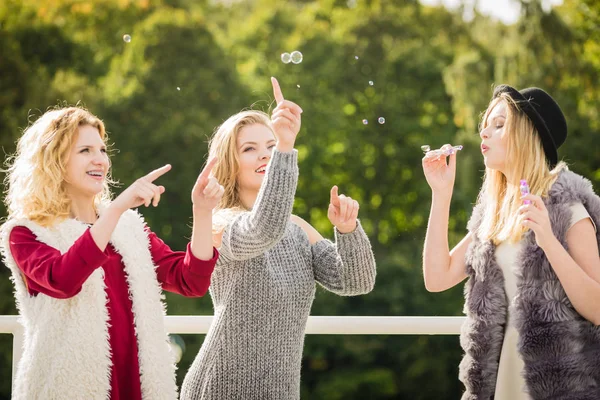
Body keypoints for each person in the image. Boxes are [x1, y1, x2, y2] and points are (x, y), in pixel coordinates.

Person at [0, 106, 224, 400]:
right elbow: (63, 280)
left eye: (103, 150)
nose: (100, 159)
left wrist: (203, 212)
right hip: (66, 389)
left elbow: (190, 281)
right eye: (85, 150)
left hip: (139, 389)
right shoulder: (26, 232)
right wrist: (117, 208)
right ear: (53, 160)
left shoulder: (129, 227)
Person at [180, 77, 377, 400]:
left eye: (271, 147)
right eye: (250, 149)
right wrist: (285, 147)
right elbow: (262, 230)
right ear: (230, 162)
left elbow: (356, 281)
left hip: (280, 392)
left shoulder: (298, 228)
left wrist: (348, 230)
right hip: (219, 388)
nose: (265, 155)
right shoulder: (220, 223)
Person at [421, 84, 600, 399]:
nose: (485, 134)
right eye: (485, 126)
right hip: (499, 387)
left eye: (499, 124)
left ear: (528, 134)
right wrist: (441, 194)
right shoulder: (493, 217)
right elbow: (437, 277)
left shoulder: (567, 208)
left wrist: (548, 239)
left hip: (557, 388)